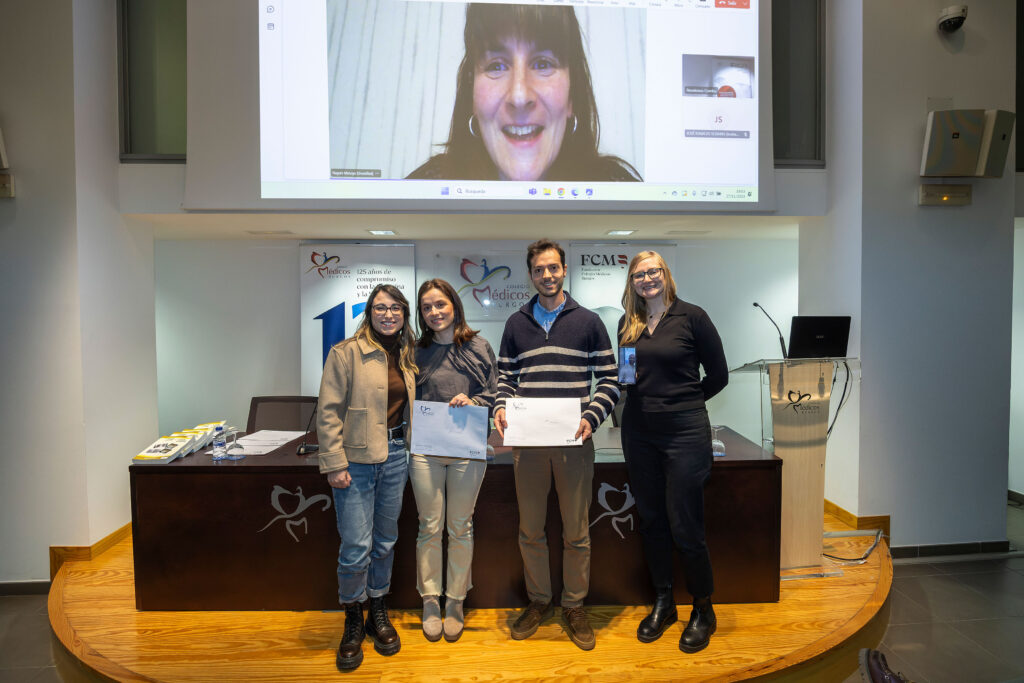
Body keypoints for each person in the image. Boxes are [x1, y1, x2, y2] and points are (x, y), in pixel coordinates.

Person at [493, 239, 620, 651]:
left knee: (576, 532)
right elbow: (505, 378)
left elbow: (610, 380)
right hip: (528, 445)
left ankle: (574, 604)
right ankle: (539, 601)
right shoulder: (515, 324)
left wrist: (591, 417)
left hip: (574, 442)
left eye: (553, 268)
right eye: (538, 270)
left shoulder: (588, 322)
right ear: (531, 274)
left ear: (564, 270)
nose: (546, 275)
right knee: (530, 530)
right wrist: (500, 406)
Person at [616, 251, 729, 654]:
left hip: (684, 433)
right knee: (651, 520)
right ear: (632, 283)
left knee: (685, 523)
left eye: (653, 271)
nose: (647, 279)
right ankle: (664, 601)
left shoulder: (692, 317)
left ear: (665, 275)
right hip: (639, 433)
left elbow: (719, 376)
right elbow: (626, 379)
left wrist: (683, 402)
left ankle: (703, 608)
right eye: (639, 274)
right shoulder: (627, 324)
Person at [406, 4, 641, 182]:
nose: (519, 96)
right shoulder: (421, 190)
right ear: (473, 99)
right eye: (496, 66)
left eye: (542, 64)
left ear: (571, 97)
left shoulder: (619, 190)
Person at [317, 284, 418, 672]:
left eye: (395, 308)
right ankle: (352, 619)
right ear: (369, 312)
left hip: (396, 456)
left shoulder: (409, 354)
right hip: (356, 461)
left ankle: (378, 608)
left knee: (386, 541)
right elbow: (328, 412)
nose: (388, 314)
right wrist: (334, 463)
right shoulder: (345, 353)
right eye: (380, 308)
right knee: (356, 545)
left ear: (404, 313)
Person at [410, 278, 497, 643]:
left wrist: (473, 401)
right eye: (427, 307)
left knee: (460, 527)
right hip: (426, 452)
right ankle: (430, 599)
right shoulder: (415, 350)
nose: (434, 312)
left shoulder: (478, 346)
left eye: (440, 305)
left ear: (454, 306)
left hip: (466, 450)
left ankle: (456, 600)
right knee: (430, 526)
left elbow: (496, 392)